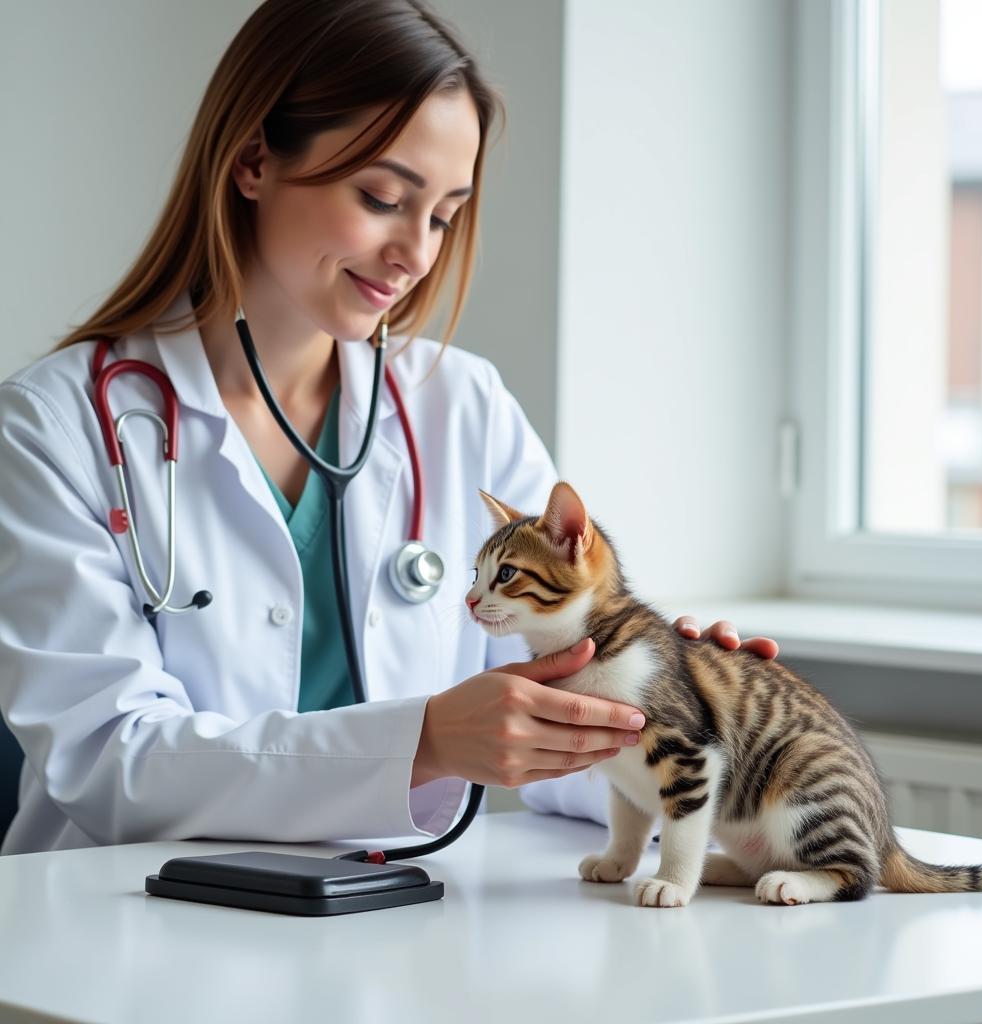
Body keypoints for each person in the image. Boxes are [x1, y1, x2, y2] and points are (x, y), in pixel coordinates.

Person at [0, 0, 777, 855]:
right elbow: (110, 764)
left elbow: (539, 720)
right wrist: (429, 740)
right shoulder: (60, 426)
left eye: (444, 214)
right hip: (118, 932)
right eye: (381, 197)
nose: (417, 252)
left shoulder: (461, 405)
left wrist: (662, 717)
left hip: (392, 934)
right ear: (254, 159)